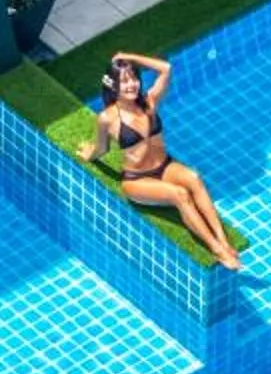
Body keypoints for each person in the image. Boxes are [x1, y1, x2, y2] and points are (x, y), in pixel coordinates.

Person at [74, 51, 241, 270]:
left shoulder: (150, 101)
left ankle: (223, 240)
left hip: (165, 166)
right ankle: (217, 250)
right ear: (113, 86)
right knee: (179, 194)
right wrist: (89, 154)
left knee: (194, 177)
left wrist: (129, 57)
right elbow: (102, 148)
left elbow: (166, 68)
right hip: (137, 180)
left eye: (134, 78)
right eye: (124, 81)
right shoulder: (108, 118)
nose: (132, 85)